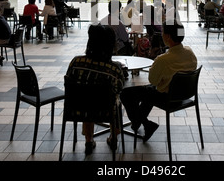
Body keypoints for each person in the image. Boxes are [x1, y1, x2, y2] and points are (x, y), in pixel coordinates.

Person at [120, 20, 197, 143]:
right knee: (149, 92)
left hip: (167, 98)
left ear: (167, 36)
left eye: (163, 32)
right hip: (184, 94)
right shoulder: (190, 53)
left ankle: (142, 122)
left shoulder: (163, 59)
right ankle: (140, 123)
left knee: (126, 94)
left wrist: (154, 68)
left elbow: (153, 80)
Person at [65, 23, 125, 155]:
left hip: (78, 109)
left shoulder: (76, 62)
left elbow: (69, 80)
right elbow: (119, 88)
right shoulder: (114, 69)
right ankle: (113, 136)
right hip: (106, 112)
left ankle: (88, 140)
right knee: (116, 101)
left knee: (86, 98)